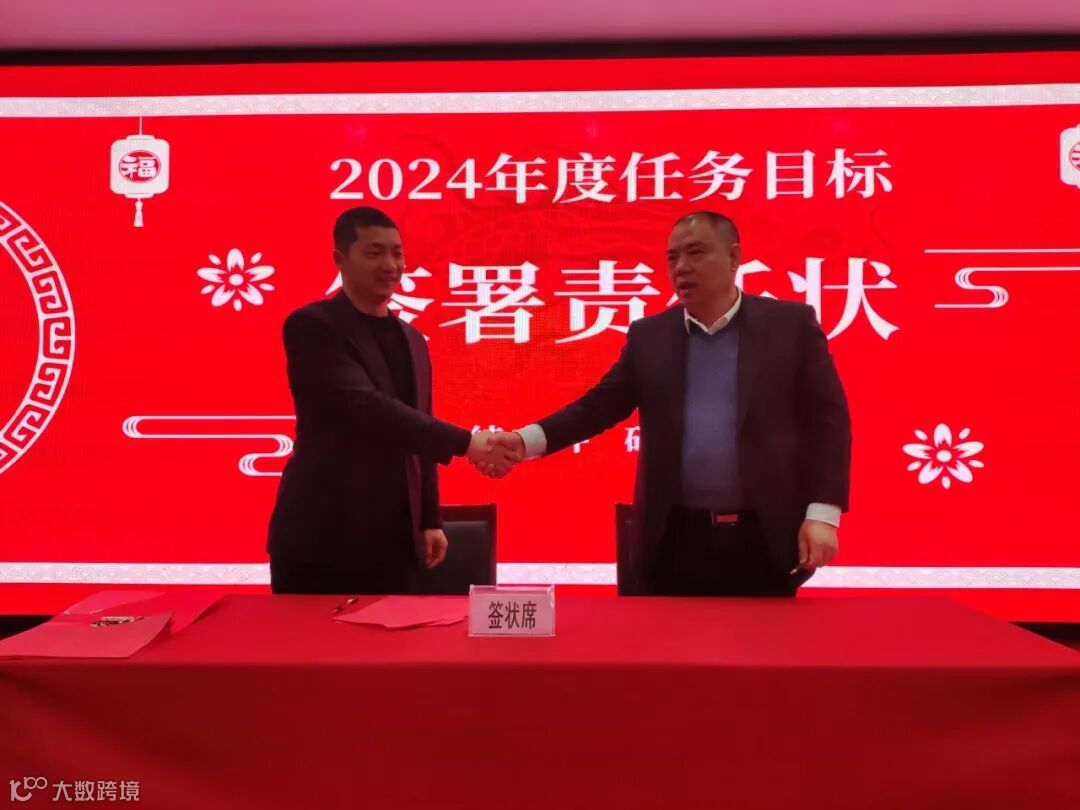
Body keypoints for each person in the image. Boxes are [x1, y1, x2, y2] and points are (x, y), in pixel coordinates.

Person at [489, 211, 852, 596]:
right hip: (674, 541)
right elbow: (597, 407)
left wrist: (824, 514)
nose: (682, 268)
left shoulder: (789, 326)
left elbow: (828, 423)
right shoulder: (650, 336)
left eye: (695, 253)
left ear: (733, 257)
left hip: (765, 537)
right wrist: (524, 441)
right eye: (672, 258)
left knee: (769, 636)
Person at [267, 206, 518, 594]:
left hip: (395, 541)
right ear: (340, 260)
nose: (390, 265)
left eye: (397, 253)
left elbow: (418, 427)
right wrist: (468, 443)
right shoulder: (313, 326)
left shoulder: (412, 339)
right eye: (374, 253)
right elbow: (364, 407)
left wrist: (429, 519)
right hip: (321, 534)